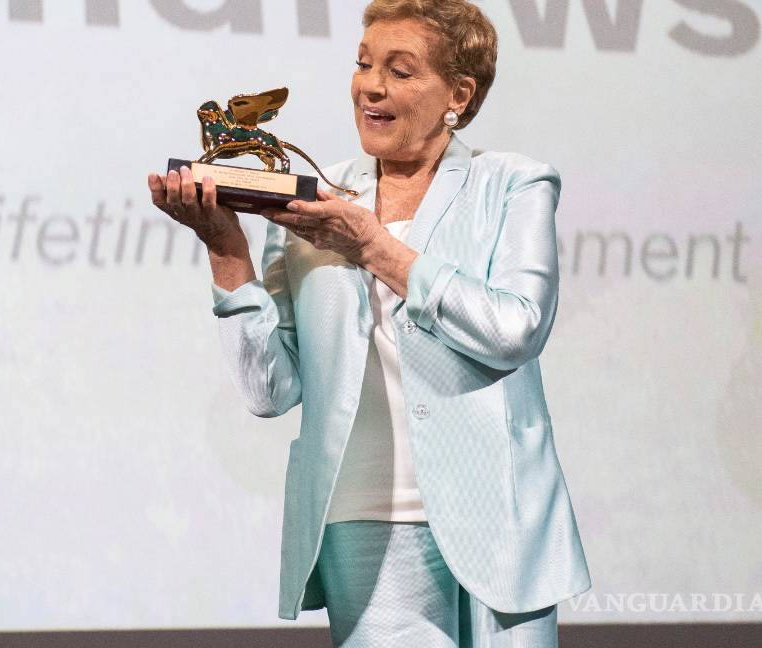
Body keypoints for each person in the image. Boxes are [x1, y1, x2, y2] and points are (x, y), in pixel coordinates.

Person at [147, 1, 590, 645]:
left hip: (503, 515)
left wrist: (373, 247)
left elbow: (514, 330)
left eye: (400, 70)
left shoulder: (513, 184)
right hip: (365, 522)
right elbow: (269, 390)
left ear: (457, 95)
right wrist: (227, 251)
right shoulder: (312, 200)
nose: (370, 85)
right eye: (363, 65)